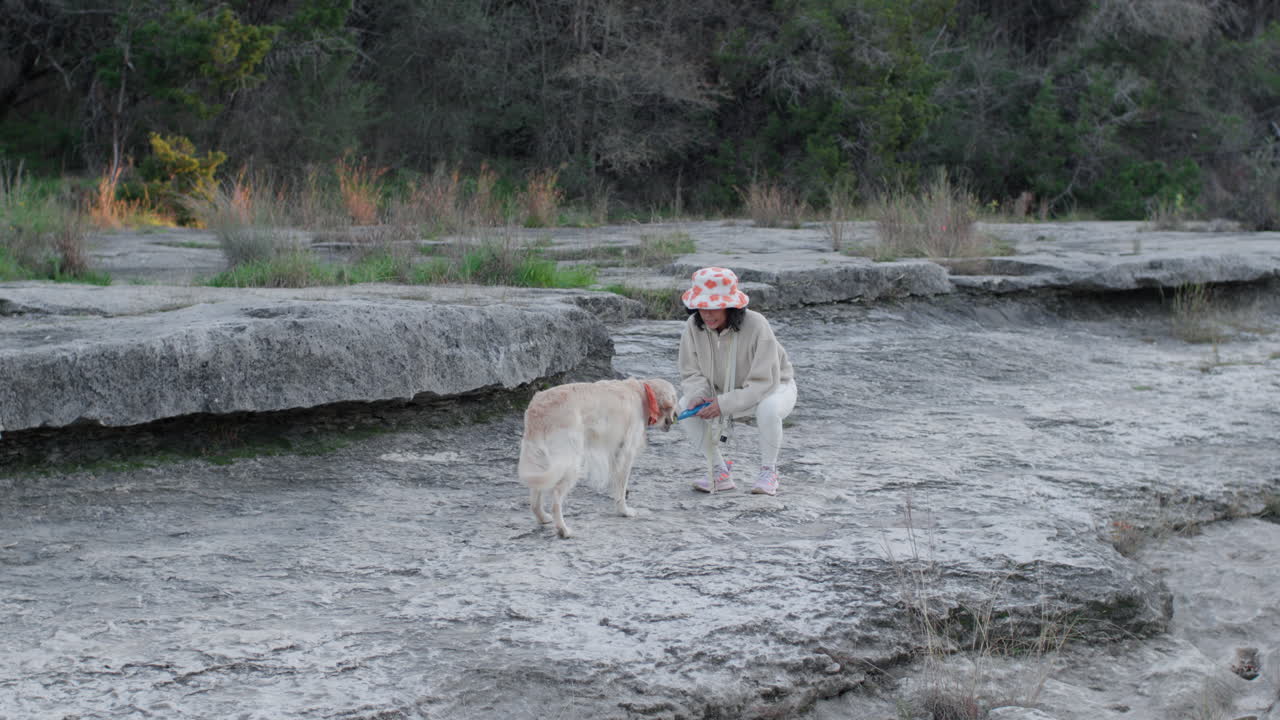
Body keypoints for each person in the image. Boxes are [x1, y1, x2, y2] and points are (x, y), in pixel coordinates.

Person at [677, 266, 797, 496]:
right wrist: (698, 395)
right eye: (702, 307)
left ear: (731, 306)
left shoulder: (757, 324)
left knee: (769, 408)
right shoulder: (693, 326)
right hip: (723, 390)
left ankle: (769, 471)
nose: (707, 315)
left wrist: (724, 404)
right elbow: (691, 372)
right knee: (685, 405)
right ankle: (718, 471)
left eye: (714, 307)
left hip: (774, 386)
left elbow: (764, 382)